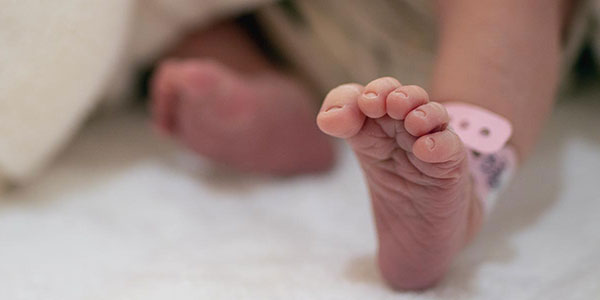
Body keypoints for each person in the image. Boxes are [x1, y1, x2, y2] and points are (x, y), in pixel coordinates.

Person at [150, 0, 578, 289]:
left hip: (454, 25)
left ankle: (466, 158)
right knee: (183, 26)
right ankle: (272, 107)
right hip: (296, 21)